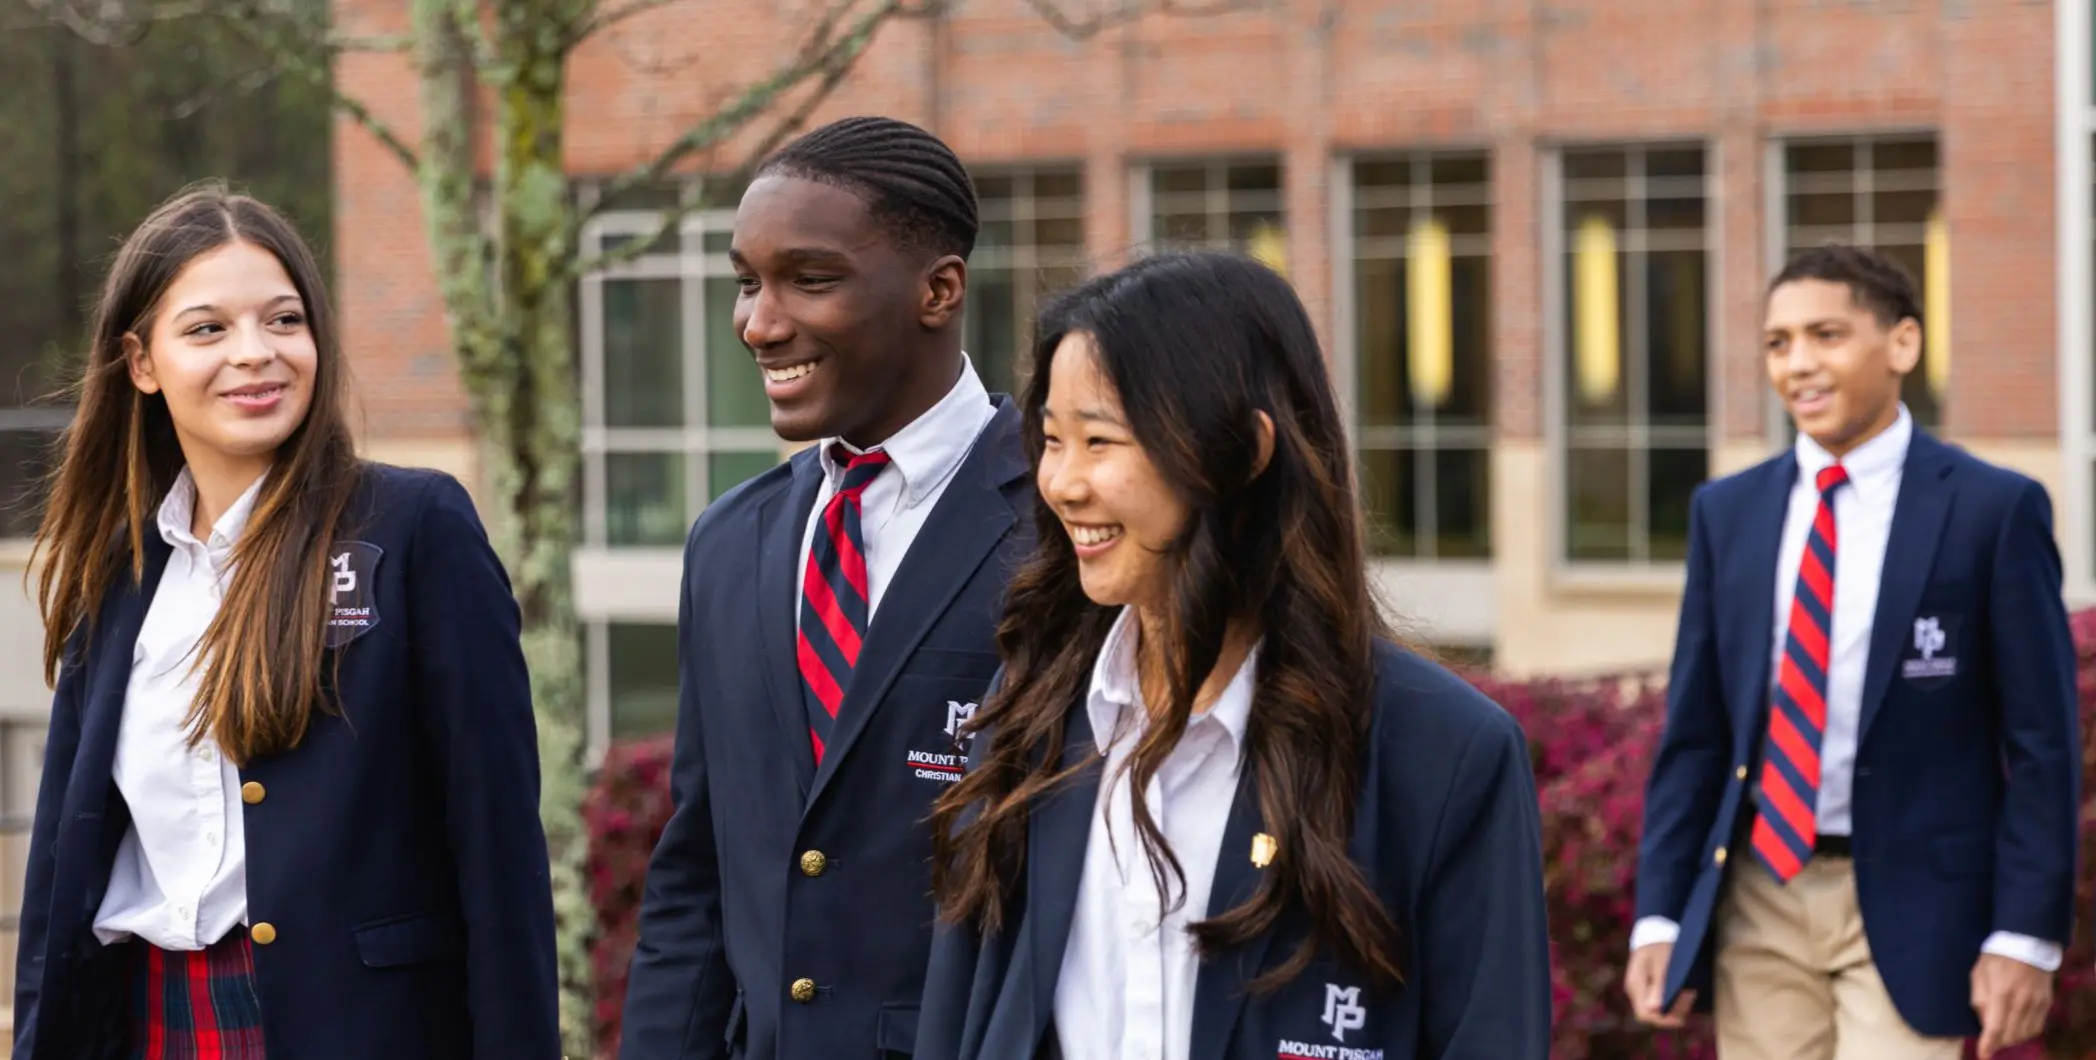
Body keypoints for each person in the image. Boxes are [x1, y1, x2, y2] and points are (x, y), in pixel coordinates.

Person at [914, 249, 1552, 1060]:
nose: (1063, 483)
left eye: (1101, 441)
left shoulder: (1442, 752)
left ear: (1245, 451)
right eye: (1050, 440)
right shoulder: (1030, 714)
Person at [12, 183, 559, 1059]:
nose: (256, 354)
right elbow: (57, 872)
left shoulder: (414, 526)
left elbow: (499, 854)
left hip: (362, 1030)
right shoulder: (119, 569)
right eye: (207, 329)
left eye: (283, 320)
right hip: (149, 1019)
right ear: (141, 362)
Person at [618, 116, 1031, 1060]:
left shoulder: (1063, 536)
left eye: (809, 280)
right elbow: (696, 878)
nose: (759, 324)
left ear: (939, 290)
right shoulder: (729, 542)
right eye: (746, 283)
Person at [1626, 243, 2079, 1059]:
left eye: (1827, 335)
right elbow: (1695, 734)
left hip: (1916, 904)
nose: (1799, 364)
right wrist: (1660, 913)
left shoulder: (1993, 510)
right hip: (1760, 894)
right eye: (1778, 343)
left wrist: (2024, 935)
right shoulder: (1727, 513)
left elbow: (2042, 744)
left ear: (1901, 345)